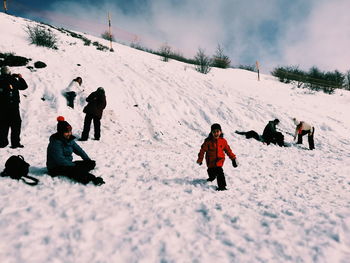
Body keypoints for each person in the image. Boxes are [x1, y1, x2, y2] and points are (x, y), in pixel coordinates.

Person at [46, 116, 105, 185]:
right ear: (61, 132)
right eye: (66, 132)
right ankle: (92, 179)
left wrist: (87, 160)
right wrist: (73, 166)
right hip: (56, 167)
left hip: (67, 163)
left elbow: (79, 150)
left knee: (91, 163)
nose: (69, 133)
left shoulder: (69, 139)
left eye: (70, 131)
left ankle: (80, 171)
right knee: (75, 170)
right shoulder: (55, 143)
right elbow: (60, 160)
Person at [197, 123, 238, 191]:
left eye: (217, 131)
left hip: (219, 161)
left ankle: (222, 187)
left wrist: (233, 159)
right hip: (211, 162)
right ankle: (211, 177)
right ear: (211, 132)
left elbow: (228, 150)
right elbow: (202, 151)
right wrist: (200, 159)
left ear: (220, 131)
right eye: (214, 132)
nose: (216, 133)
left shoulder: (223, 141)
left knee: (220, 172)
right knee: (212, 174)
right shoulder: (208, 142)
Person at [0, 66, 28, 148]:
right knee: (16, 125)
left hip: (2, 108)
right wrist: (20, 78)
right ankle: (15, 143)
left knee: (3, 125)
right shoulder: (12, 79)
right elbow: (24, 86)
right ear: (9, 72)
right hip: (13, 107)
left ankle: (2, 142)